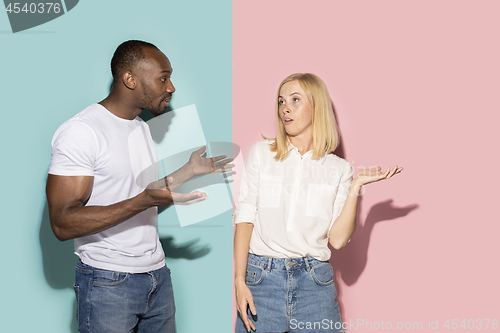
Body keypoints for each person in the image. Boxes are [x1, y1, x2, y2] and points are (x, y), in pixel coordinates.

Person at [46, 40, 232, 333]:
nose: (171, 87)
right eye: (163, 77)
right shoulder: (82, 131)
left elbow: (140, 193)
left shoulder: (140, 127)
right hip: (108, 281)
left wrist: (186, 172)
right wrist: (141, 202)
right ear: (130, 79)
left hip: (157, 276)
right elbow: (61, 223)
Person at [234, 73, 402, 333]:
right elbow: (245, 216)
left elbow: (337, 240)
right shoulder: (261, 154)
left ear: (317, 106)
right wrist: (239, 280)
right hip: (262, 281)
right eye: (281, 101)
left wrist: (356, 186)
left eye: (295, 99)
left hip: (314, 283)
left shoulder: (339, 169)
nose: (285, 108)